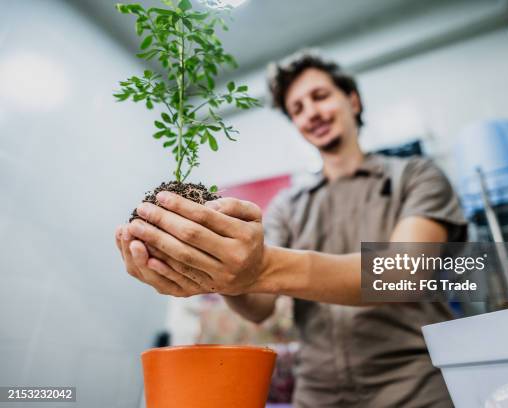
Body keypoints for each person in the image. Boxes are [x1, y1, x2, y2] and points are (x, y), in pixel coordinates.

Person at [116, 51, 466, 407]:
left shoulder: (416, 176)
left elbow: (402, 273)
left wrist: (263, 266)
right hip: (317, 395)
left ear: (352, 100)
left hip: (415, 389)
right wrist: (219, 273)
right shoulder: (288, 206)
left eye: (320, 96)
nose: (311, 113)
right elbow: (259, 307)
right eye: (297, 109)